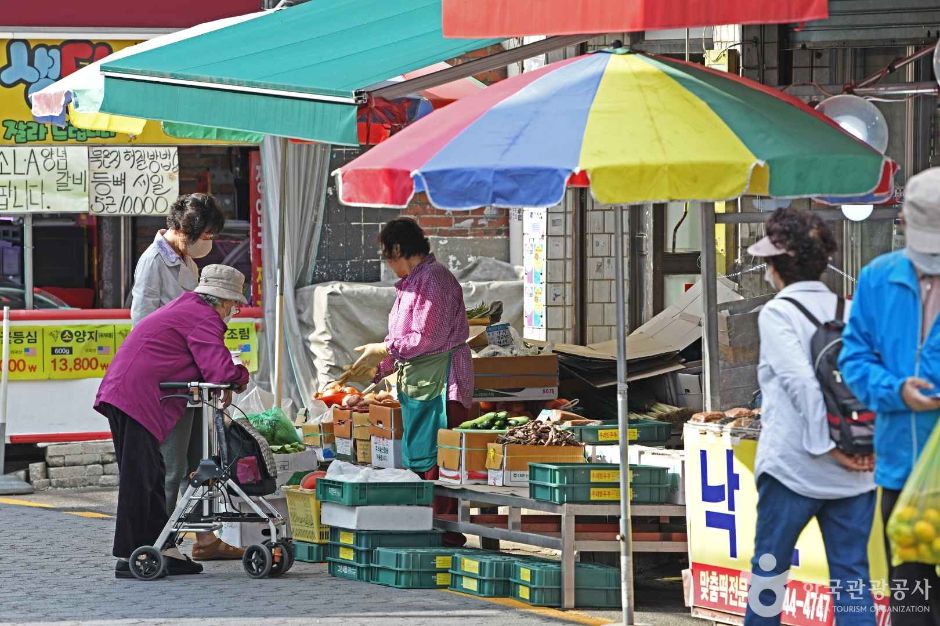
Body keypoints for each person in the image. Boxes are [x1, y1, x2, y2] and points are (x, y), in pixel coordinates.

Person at [745, 208, 876, 625]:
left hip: (792, 468)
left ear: (776, 265)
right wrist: (861, 448)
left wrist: (826, 446)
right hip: (857, 471)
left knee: (770, 576)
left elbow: (801, 383)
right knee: (852, 579)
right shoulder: (852, 309)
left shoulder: (778, 313)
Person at [95, 265, 250, 579]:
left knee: (152, 474)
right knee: (141, 478)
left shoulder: (188, 307)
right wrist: (240, 375)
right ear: (222, 301)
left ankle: (163, 548)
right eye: (234, 304)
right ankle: (130, 555)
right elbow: (219, 371)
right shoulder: (204, 318)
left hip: (129, 392)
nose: (234, 310)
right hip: (135, 397)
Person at [841, 167, 940, 624]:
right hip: (901, 473)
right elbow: (854, 361)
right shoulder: (878, 279)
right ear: (903, 223)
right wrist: (896, 390)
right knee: (913, 601)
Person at [130, 193, 242, 561]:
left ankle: (206, 538)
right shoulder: (153, 263)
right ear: (183, 229)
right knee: (172, 465)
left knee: (200, 461)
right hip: (166, 383)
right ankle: (159, 543)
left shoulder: (190, 263)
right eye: (204, 233)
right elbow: (142, 325)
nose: (208, 241)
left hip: (191, 381)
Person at [346, 217, 472, 476]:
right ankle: (427, 515)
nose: (387, 262)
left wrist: (385, 349)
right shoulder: (412, 282)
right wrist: (379, 369)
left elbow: (427, 338)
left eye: (386, 255)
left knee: (441, 464)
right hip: (421, 382)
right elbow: (404, 336)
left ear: (397, 250)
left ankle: (439, 516)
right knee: (423, 462)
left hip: (442, 385)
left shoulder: (434, 279)